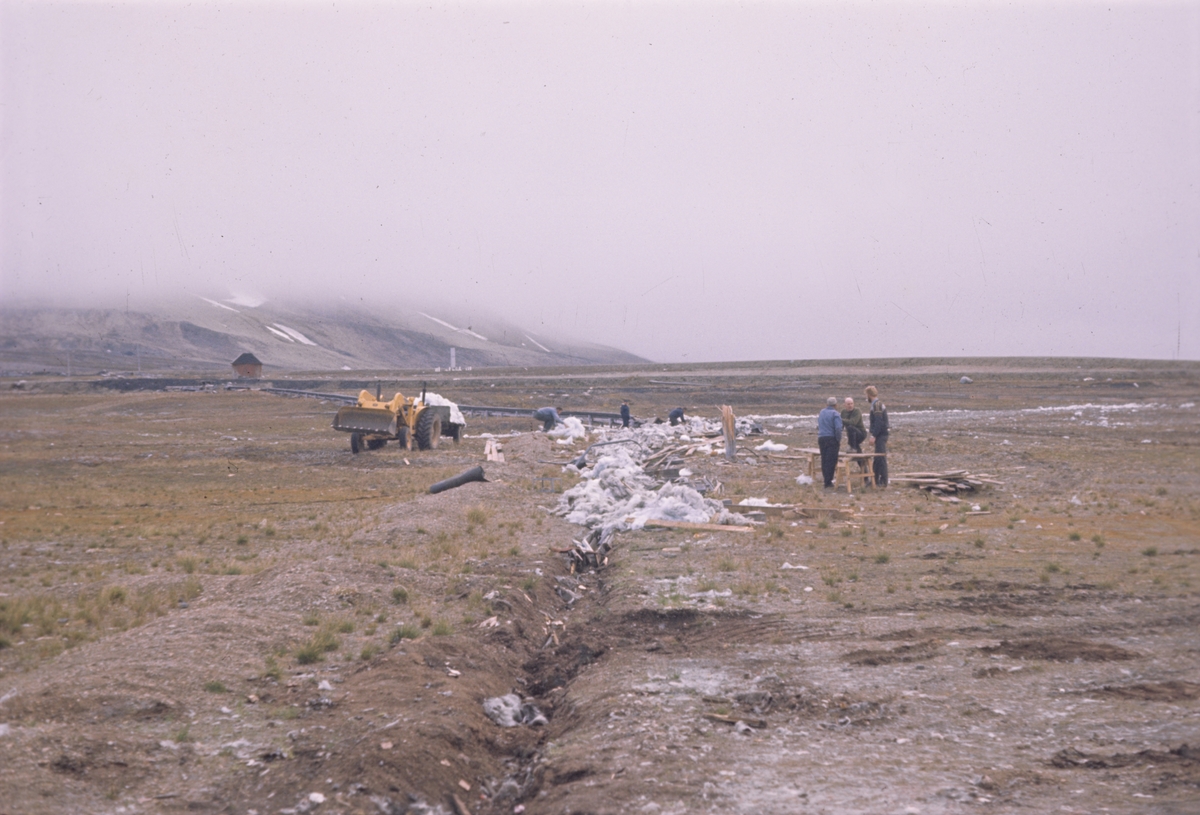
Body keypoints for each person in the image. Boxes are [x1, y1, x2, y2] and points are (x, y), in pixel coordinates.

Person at [865, 385, 889, 487]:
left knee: (880, 457)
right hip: (881, 434)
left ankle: (883, 480)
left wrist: (873, 435)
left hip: (881, 435)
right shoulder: (877, 404)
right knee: (878, 457)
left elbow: (878, 422)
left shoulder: (877, 405)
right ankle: (876, 479)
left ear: (869, 395)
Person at [817, 396, 843, 489]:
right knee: (831, 460)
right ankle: (828, 482)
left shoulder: (822, 412)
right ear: (836, 405)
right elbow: (838, 428)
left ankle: (826, 480)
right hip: (831, 438)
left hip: (821, 438)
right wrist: (838, 439)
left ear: (827, 404)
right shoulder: (835, 414)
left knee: (824, 460)